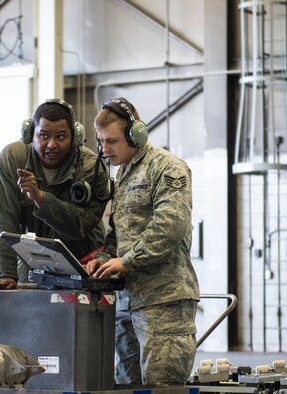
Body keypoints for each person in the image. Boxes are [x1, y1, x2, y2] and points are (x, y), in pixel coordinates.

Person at [86, 97, 200, 385]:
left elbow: (169, 227)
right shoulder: (123, 173)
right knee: (127, 386)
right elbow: (117, 234)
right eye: (101, 141)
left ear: (135, 134)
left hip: (164, 304)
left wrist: (126, 261)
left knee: (161, 388)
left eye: (111, 141)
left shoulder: (166, 168)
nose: (104, 149)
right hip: (127, 302)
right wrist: (101, 260)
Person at [0, 98, 111, 290]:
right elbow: (2, 218)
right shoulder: (13, 159)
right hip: (37, 261)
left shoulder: (90, 167)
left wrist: (40, 198)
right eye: (43, 136)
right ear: (30, 134)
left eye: (61, 137)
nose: (52, 144)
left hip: (84, 262)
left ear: (75, 137)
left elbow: (78, 225)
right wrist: (5, 274)